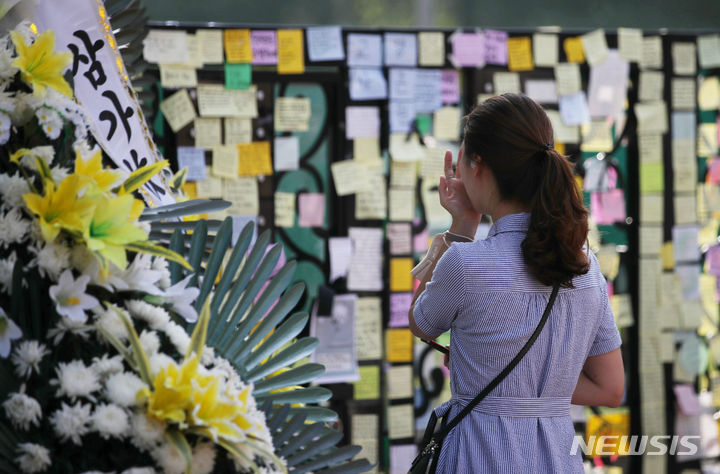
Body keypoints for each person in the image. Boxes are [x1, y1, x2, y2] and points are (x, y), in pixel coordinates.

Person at [409, 93, 624, 473]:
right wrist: (539, 392)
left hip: (480, 455)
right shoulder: (586, 268)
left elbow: (420, 321)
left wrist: (461, 227)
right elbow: (611, 389)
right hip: (559, 459)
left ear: (478, 166)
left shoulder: (465, 262)